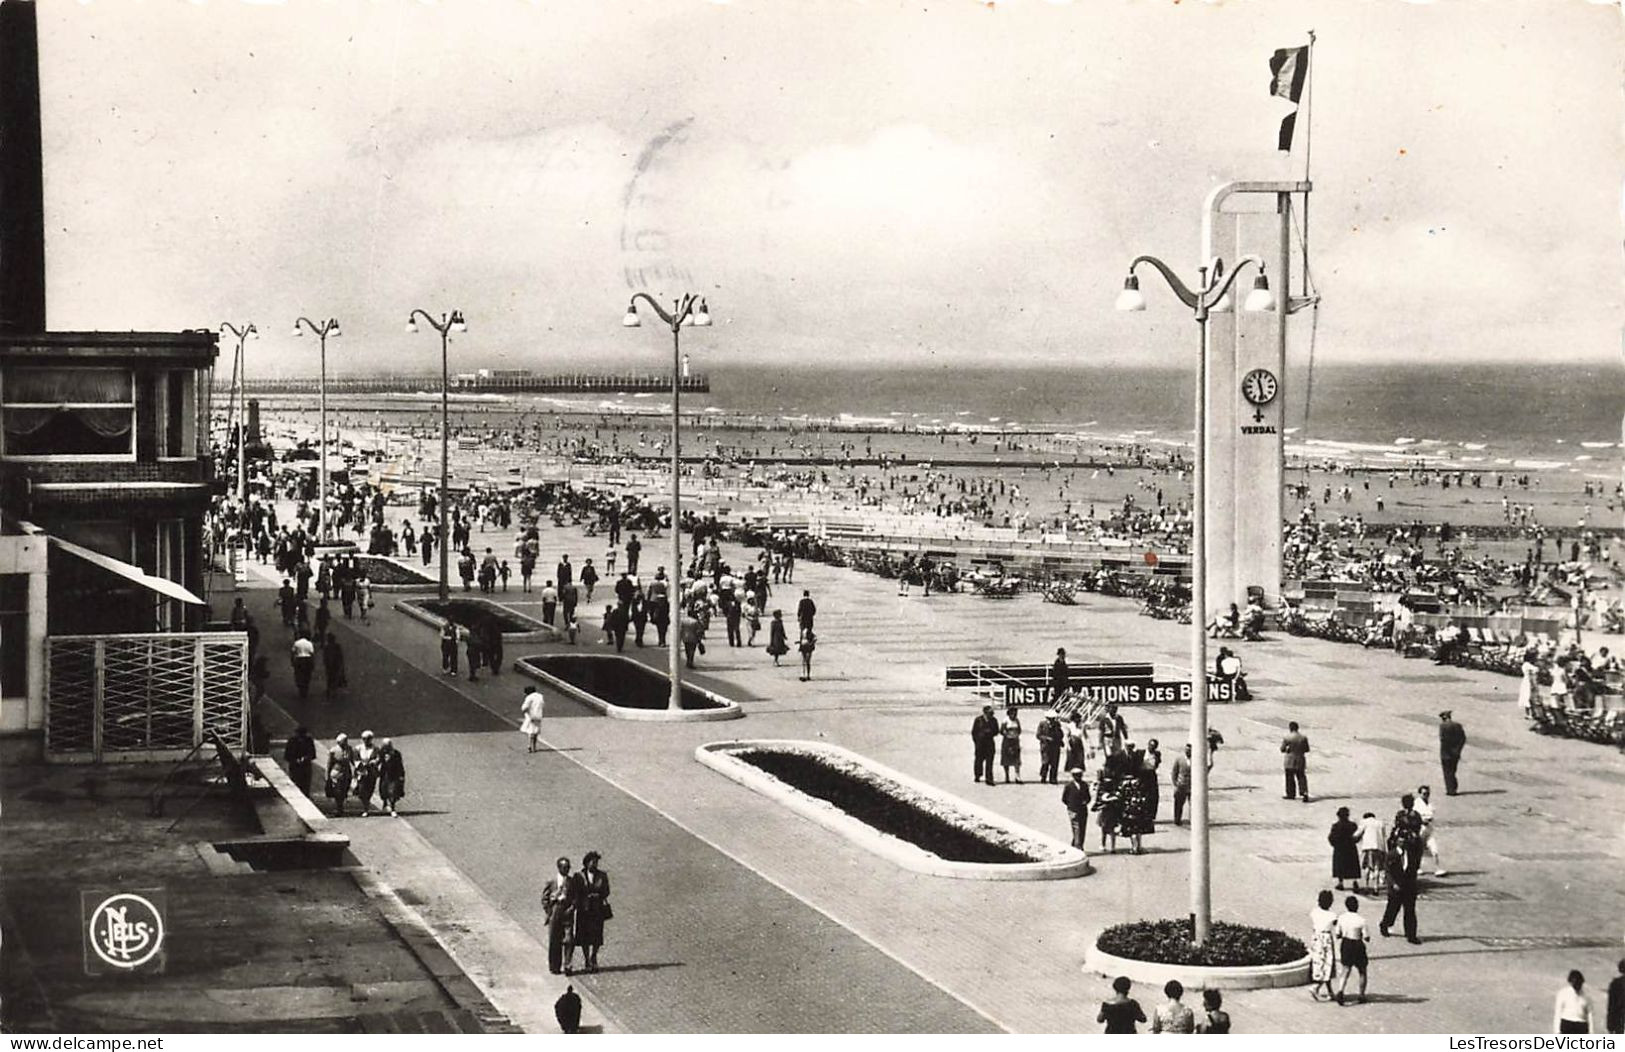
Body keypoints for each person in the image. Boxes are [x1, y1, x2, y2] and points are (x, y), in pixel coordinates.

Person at [1380, 794, 1424, 944]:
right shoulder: (1402, 816)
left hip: (1410, 881)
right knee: (1393, 907)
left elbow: (1416, 831)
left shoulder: (1413, 818)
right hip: (1397, 882)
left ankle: (1411, 935)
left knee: (1410, 909)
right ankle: (1385, 924)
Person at [571, 851, 611, 973]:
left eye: (596, 862)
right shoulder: (578, 876)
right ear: (586, 863)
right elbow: (575, 892)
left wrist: (597, 895)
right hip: (584, 910)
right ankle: (587, 958)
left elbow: (606, 891)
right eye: (592, 862)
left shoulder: (602, 876)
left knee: (596, 935)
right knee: (584, 935)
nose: (594, 864)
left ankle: (594, 956)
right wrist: (581, 900)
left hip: (597, 909)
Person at [543, 856, 577, 975]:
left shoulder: (572, 881)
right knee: (554, 939)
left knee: (569, 939)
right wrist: (549, 911)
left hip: (567, 910)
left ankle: (567, 964)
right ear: (559, 868)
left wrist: (572, 907)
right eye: (564, 867)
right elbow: (545, 898)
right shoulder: (552, 881)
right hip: (555, 910)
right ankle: (555, 966)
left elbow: (575, 897)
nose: (566, 869)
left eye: (568, 867)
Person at [1334, 895, 1371, 1005]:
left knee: (1345, 969)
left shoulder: (1341, 918)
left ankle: (1340, 990)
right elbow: (1367, 937)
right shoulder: (1361, 920)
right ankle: (1361, 995)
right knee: (1362, 971)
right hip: (1358, 944)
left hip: (1346, 944)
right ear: (1357, 906)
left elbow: (1337, 934)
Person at [1309, 889, 1338, 1001]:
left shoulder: (1314, 912)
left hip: (1316, 938)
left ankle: (1330, 991)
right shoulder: (1332, 915)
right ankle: (1315, 987)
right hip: (1326, 940)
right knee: (1327, 965)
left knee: (1319, 963)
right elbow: (1336, 924)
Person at [1414, 784, 1447, 876]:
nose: (1426, 795)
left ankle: (1438, 868)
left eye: (1428, 793)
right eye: (1424, 793)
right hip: (1420, 831)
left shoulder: (1430, 805)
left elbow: (1432, 815)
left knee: (1434, 849)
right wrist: (1422, 820)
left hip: (1429, 830)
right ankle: (1418, 867)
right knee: (1418, 851)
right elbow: (1416, 817)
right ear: (1420, 794)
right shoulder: (1416, 804)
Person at [1329, 806, 1362, 891]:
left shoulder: (1336, 826)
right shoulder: (1352, 825)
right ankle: (1355, 882)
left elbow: (1331, 837)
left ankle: (1341, 883)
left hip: (1340, 849)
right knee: (1353, 865)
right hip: (1351, 848)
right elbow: (1357, 836)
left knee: (1340, 866)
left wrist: (1334, 844)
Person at [1356, 811, 1389, 894]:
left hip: (1368, 847)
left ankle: (1367, 886)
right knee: (1377, 867)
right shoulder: (1380, 823)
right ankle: (1376, 887)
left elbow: (1357, 834)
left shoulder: (1364, 822)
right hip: (1378, 847)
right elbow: (1384, 836)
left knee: (1368, 867)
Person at [1280, 720, 1311, 802]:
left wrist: (1288, 749)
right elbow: (1307, 749)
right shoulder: (1303, 738)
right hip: (1300, 759)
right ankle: (1304, 792)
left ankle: (1291, 794)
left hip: (1289, 760)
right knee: (1301, 777)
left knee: (1290, 777)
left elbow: (1282, 749)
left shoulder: (1287, 737)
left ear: (1290, 728)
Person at [1438, 710, 1467, 795]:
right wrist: (1458, 750)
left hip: (1446, 753)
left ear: (1443, 718)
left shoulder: (1443, 726)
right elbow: (1463, 739)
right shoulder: (1458, 725)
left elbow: (1443, 739)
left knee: (1447, 771)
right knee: (1453, 770)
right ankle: (1453, 787)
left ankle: (1451, 790)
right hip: (1456, 753)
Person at [324, 734, 354, 817]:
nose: (345, 743)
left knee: (345, 789)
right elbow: (329, 764)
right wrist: (327, 775)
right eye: (344, 741)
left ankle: (340, 806)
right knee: (338, 791)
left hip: (347, 772)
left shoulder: (349, 749)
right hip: (337, 772)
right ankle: (339, 808)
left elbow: (352, 760)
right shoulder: (333, 750)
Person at [353, 730, 381, 816]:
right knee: (361, 790)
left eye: (368, 739)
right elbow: (355, 759)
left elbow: (378, 758)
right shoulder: (358, 748)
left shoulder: (376, 748)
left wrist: (374, 762)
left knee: (370, 789)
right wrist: (360, 764)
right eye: (364, 738)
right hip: (361, 772)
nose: (366, 740)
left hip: (372, 772)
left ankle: (366, 808)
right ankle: (365, 805)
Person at [1062, 767, 1090, 850]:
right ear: (1073, 776)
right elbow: (1064, 798)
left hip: (1083, 810)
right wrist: (1071, 806)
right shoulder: (1069, 786)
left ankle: (1076, 843)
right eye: (1076, 775)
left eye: (1080, 775)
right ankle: (1079, 847)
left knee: (1082, 828)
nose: (1078, 777)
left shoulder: (1084, 785)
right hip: (1073, 810)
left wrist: (1085, 802)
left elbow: (1088, 797)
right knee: (1076, 827)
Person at [971, 704, 1000, 786]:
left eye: (992, 713)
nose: (991, 715)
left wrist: (990, 732)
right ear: (985, 713)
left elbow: (996, 731)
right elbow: (974, 732)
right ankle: (978, 775)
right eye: (990, 713)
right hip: (980, 743)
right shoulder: (978, 720)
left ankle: (989, 778)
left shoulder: (994, 720)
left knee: (989, 761)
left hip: (989, 742)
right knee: (979, 760)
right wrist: (976, 741)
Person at [284, 726, 317, 796]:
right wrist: (295, 760)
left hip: (305, 767)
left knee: (305, 786)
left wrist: (305, 758)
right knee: (295, 785)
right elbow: (287, 755)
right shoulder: (292, 741)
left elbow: (312, 754)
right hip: (295, 767)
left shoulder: (309, 740)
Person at [377, 738, 405, 816]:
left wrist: (401, 775)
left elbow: (400, 765)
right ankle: (385, 803)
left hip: (394, 775)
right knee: (383, 790)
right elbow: (378, 761)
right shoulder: (381, 753)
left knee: (392, 791)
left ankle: (393, 808)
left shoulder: (396, 753)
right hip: (384, 774)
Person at [1036, 712, 1064, 784]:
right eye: (1050, 719)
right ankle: (1043, 776)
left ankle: (1053, 778)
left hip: (1055, 746)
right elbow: (1038, 735)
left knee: (1054, 763)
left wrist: (1059, 738)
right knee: (1045, 762)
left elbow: (1061, 734)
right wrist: (1046, 738)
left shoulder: (1057, 724)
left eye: (1053, 719)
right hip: (1046, 746)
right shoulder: (1042, 724)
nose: (1052, 720)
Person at [1170, 744, 1193, 825]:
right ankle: (1177, 819)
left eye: (1189, 750)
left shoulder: (1196, 759)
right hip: (1181, 785)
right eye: (1186, 750)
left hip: (1192, 785)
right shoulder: (1179, 759)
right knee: (1179, 803)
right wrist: (1175, 783)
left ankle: (1193, 819)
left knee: (1193, 804)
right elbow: (1174, 771)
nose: (1188, 751)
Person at [290, 632, 316, 699]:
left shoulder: (297, 643)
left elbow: (293, 652)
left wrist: (292, 661)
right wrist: (313, 663)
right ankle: (305, 687)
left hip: (299, 659)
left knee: (299, 674)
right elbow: (312, 654)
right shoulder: (309, 643)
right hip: (307, 660)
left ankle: (300, 687)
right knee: (307, 675)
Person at [521, 686, 547, 753]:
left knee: (531, 731)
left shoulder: (529, 697)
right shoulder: (540, 696)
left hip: (531, 716)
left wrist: (525, 712)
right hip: (538, 715)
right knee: (536, 731)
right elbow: (543, 705)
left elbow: (524, 707)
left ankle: (529, 745)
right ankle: (534, 747)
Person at [1604, 958, 1624, 1034]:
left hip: (1619, 1020)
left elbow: (1611, 1005)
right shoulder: (1615, 984)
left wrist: (1610, 1025)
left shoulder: (1615, 984)